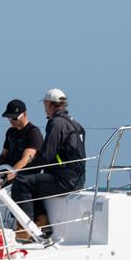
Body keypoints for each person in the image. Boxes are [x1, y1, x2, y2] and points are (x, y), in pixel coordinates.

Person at [11, 89, 86, 237]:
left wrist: (24, 170)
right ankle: (42, 224)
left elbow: (46, 155)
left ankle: (24, 232)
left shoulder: (56, 123)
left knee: (21, 182)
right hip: (77, 179)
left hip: (64, 180)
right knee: (32, 182)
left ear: (51, 105)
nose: (44, 108)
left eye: (45, 104)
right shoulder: (75, 124)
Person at [0, 99, 44, 182]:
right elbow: (3, 157)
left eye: (14, 118)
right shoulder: (10, 132)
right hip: (6, 173)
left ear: (25, 114)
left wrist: (7, 177)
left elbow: (26, 160)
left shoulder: (33, 133)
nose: (11, 120)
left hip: (22, 178)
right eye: (9, 117)